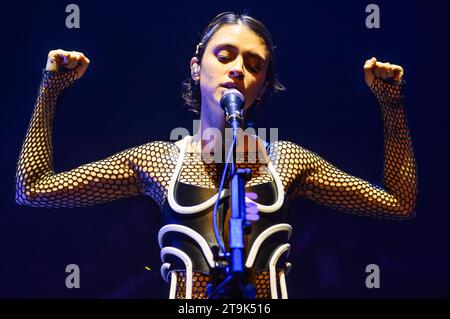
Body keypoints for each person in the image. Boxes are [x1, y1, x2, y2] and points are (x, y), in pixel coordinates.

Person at [15, 12, 417, 299]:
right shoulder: (160, 160)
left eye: (254, 64)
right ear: (196, 67)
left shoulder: (287, 161)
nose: (238, 69)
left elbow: (398, 204)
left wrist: (391, 105)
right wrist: (52, 88)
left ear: (263, 85)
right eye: (224, 55)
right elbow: (32, 189)